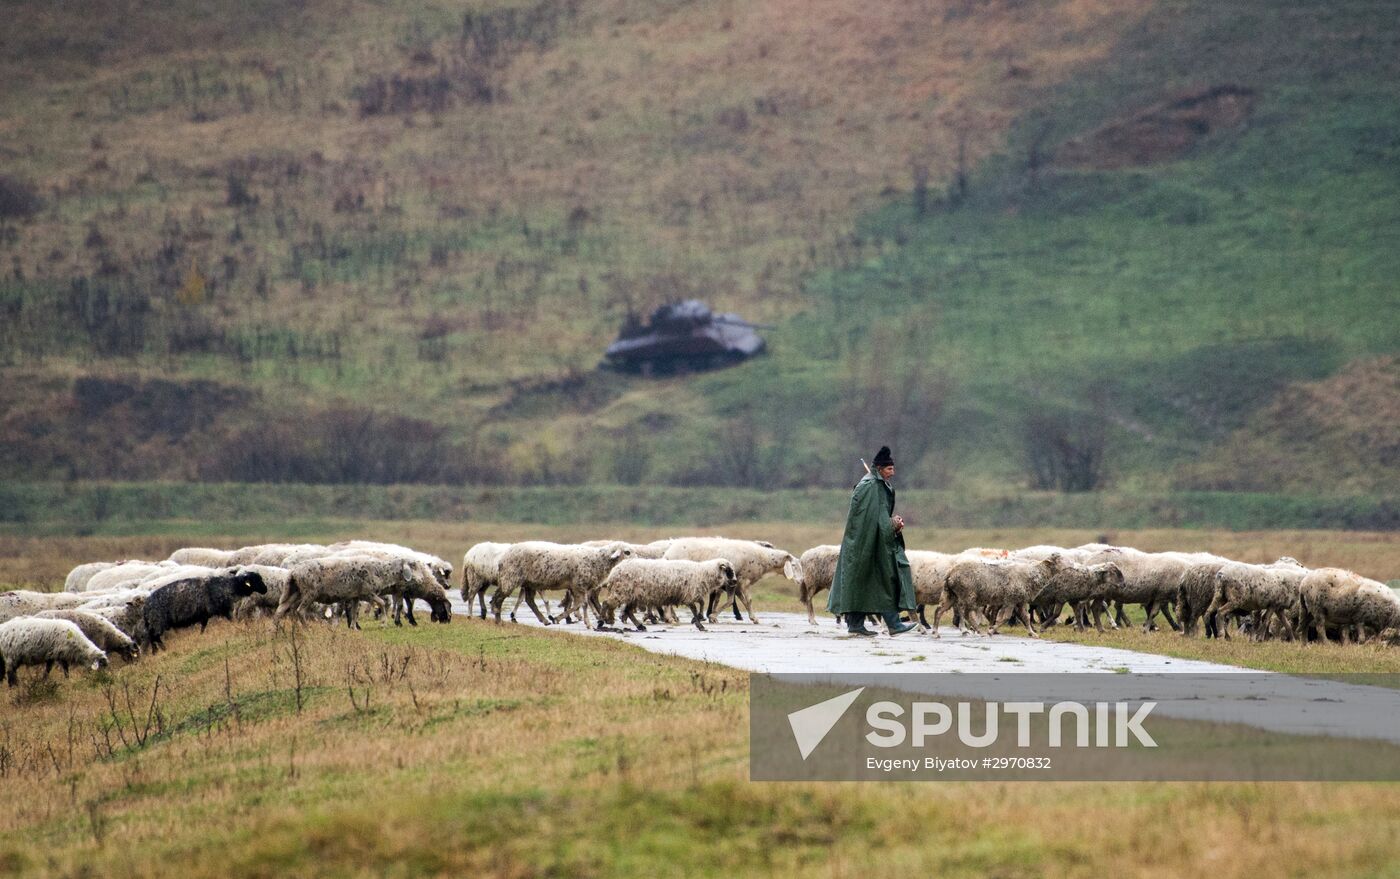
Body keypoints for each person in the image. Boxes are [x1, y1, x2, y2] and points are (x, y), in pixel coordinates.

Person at [826, 446, 917, 636]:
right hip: (865, 545)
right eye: (889, 469)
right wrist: (892, 524)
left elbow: (877, 515)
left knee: (866, 582)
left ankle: (859, 625)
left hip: (870, 543)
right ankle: (891, 624)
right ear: (879, 468)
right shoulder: (870, 487)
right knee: (884, 580)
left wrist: (890, 522)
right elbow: (870, 520)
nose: (893, 473)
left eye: (893, 469)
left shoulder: (877, 485)